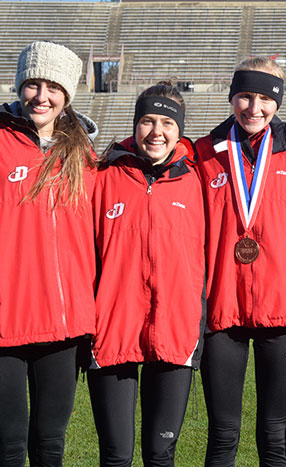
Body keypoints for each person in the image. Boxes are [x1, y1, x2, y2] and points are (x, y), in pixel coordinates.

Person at [195, 57, 286, 466]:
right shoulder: (204, 151)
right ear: (232, 97)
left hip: (282, 310)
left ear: (278, 102)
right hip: (222, 307)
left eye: (265, 98)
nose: (254, 107)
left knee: (274, 435)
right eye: (245, 96)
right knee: (223, 434)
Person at [88, 82, 205, 466]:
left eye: (167, 123)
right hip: (111, 333)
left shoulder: (197, 181)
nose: (157, 131)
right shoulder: (104, 175)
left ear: (180, 129)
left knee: (160, 454)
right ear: (135, 124)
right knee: (116, 456)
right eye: (147, 121)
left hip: (175, 332)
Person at [0, 41, 98, 466]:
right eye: (32, 84)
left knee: (50, 444)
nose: (41, 95)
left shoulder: (84, 154)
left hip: (63, 324)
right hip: (6, 320)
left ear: (67, 95)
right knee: (7, 446)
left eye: (52, 87)